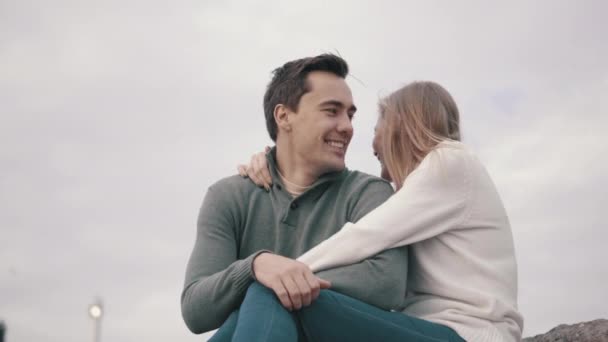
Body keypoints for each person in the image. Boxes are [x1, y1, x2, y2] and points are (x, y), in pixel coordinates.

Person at [238, 81, 524, 341]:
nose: (372, 143)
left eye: (376, 129)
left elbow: (365, 236)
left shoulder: (448, 162)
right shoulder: (436, 184)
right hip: (430, 330)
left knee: (276, 292)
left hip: (468, 335)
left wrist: (286, 271)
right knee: (275, 294)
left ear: (400, 125)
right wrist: (275, 162)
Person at [180, 54, 409, 339]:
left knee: (263, 292)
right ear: (284, 116)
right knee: (259, 288)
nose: (348, 126)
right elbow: (195, 308)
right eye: (331, 111)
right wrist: (257, 266)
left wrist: (280, 277)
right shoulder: (228, 196)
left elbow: (388, 284)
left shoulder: (368, 193)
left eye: (350, 114)